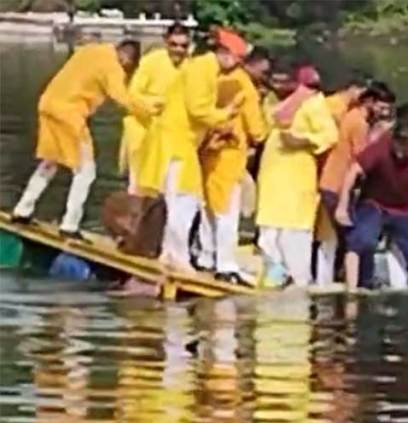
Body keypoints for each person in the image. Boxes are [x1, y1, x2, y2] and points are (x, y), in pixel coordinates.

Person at [11, 40, 154, 240]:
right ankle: (70, 225)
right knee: (86, 171)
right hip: (69, 115)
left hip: (48, 105)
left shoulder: (90, 50)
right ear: (127, 59)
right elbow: (122, 97)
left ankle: (22, 210)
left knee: (51, 162)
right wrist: (151, 113)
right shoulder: (112, 65)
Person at [135, 27, 248, 273]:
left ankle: (169, 253)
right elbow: (198, 109)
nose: (238, 65)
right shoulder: (203, 69)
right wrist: (226, 115)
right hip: (176, 142)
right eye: (237, 59)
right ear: (224, 53)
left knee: (179, 200)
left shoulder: (202, 67)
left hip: (178, 141)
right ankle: (179, 257)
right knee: (185, 201)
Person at [255, 65, 338, 288]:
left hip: (297, 179)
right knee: (268, 237)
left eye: (284, 81)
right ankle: (272, 288)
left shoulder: (313, 101)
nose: (279, 86)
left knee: (294, 238)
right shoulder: (270, 100)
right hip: (271, 177)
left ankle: (297, 289)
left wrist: (302, 141)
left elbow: (330, 135)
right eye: (275, 80)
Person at [334, 117, 408, 292]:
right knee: (363, 241)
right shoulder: (380, 149)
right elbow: (353, 171)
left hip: (406, 209)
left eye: (406, 144)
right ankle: (357, 286)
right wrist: (342, 205)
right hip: (376, 204)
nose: (400, 149)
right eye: (398, 142)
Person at [195, 47, 271, 285]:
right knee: (227, 213)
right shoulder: (244, 87)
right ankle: (225, 265)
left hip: (207, 151)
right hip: (230, 155)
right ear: (253, 64)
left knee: (208, 207)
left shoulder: (216, 77)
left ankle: (205, 257)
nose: (264, 75)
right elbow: (257, 131)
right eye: (263, 70)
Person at [314, 81, 394, 285]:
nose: (384, 112)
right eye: (381, 107)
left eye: (387, 109)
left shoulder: (355, 117)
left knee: (342, 236)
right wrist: (378, 135)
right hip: (336, 185)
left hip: (335, 184)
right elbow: (363, 157)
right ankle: (350, 280)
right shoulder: (359, 123)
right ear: (369, 102)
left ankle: (339, 275)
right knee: (352, 236)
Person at [119, 23, 191, 195]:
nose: (179, 50)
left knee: (171, 188)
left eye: (183, 46)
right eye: (174, 45)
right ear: (166, 42)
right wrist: (154, 104)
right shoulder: (151, 62)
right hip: (144, 131)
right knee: (140, 187)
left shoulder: (191, 65)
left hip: (173, 136)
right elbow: (132, 95)